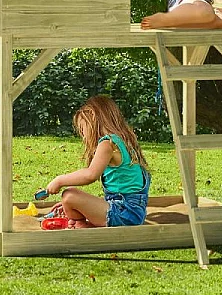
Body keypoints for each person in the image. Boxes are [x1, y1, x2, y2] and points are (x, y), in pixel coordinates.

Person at [45, 95, 151, 229]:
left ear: (94, 120)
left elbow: (90, 175)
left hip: (124, 214)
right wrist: (83, 206)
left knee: (69, 196)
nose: (84, 136)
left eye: (83, 130)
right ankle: (83, 222)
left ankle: (85, 225)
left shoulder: (108, 143)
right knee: (71, 201)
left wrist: (59, 180)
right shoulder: (123, 141)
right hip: (132, 213)